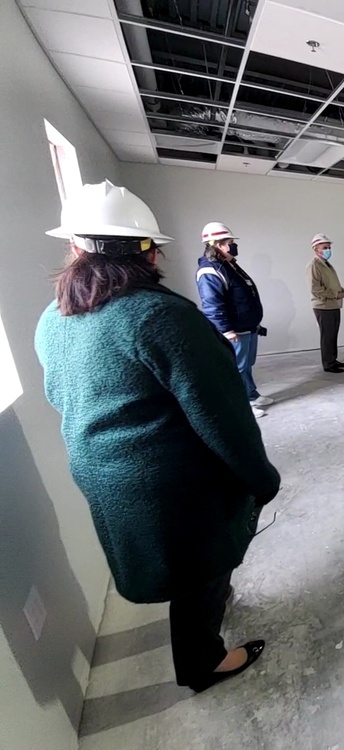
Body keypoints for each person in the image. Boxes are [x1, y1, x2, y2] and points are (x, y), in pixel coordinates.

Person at [34, 181, 279, 693]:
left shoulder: (54, 318)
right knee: (202, 562)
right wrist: (262, 477)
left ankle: (208, 612)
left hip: (102, 473)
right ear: (149, 251)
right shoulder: (160, 316)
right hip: (169, 481)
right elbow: (223, 417)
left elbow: (60, 395)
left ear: (75, 249)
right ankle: (201, 664)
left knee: (178, 564)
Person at [196, 221, 270, 418]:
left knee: (246, 365)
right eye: (229, 242)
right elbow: (212, 305)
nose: (233, 246)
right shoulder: (210, 270)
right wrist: (226, 331)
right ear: (218, 245)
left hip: (248, 326)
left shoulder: (229, 265)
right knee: (235, 369)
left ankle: (251, 395)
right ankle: (241, 407)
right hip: (235, 330)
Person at [309, 232, 344, 373]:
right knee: (327, 336)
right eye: (325, 247)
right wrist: (336, 294)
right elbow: (316, 289)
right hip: (323, 306)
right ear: (316, 249)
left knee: (333, 335)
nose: (328, 250)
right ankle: (328, 364)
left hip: (333, 305)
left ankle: (332, 359)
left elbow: (332, 284)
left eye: (328, 247)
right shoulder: (314, 265)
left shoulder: (326, 264)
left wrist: (343, 292)